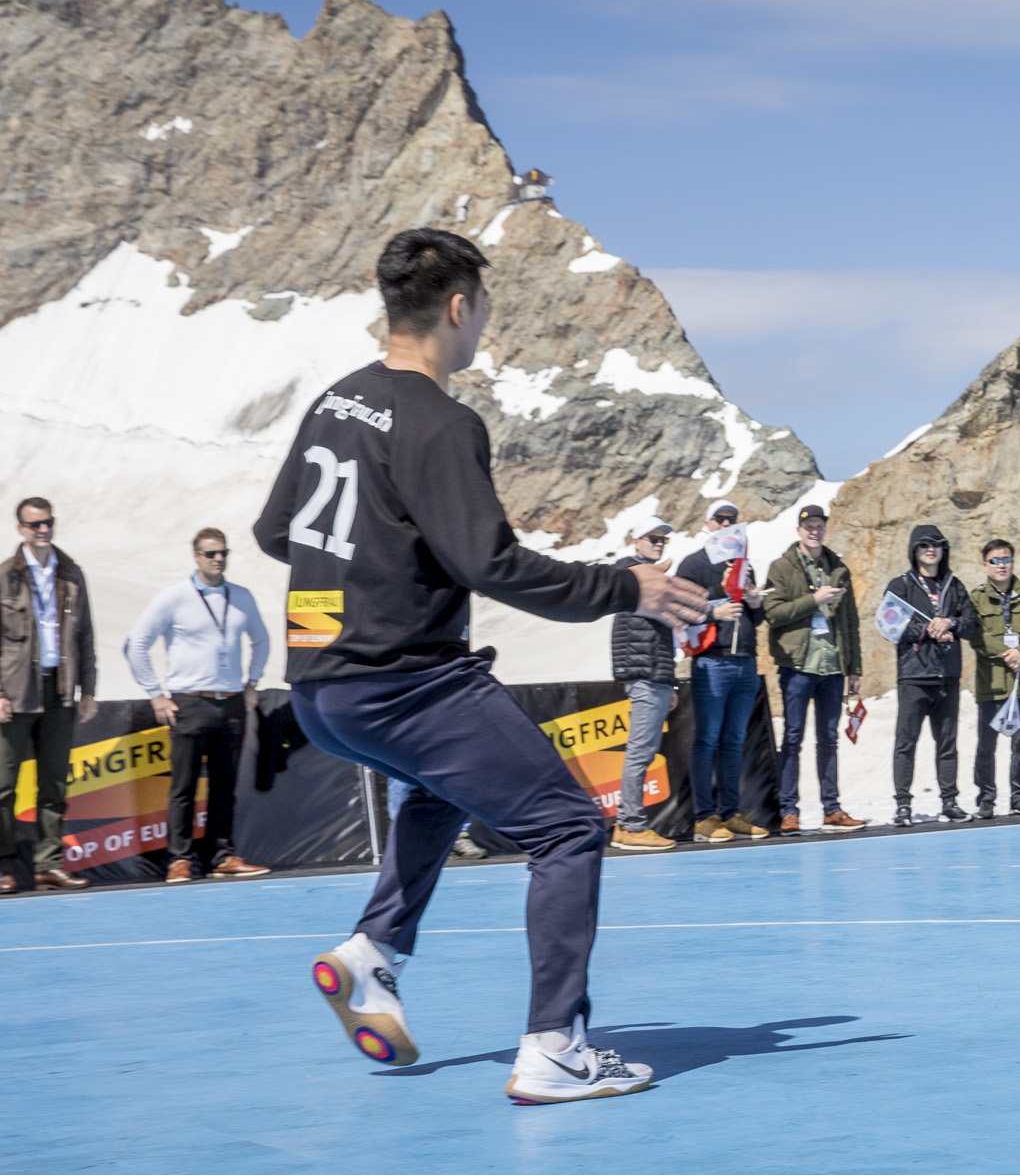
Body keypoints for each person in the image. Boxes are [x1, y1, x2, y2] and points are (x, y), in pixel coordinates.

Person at [258, 228, 707, 1102]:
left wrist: (368, 574)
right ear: (460, 306)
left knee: (440, 787)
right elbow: (491, 564)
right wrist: (627, 586)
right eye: (486, 304)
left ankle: (373, 951)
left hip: (319, 687)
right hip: (406, 681)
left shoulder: (335, 403)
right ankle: (554, 1048)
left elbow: (279, 532)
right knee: (568, 828)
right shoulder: (441, 422)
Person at [124, 527, 273, 882]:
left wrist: (252, 682)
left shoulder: (241, 596)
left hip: (231, 704)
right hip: (189, 703)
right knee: (184, 787)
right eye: (210, 554)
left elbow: (262, 640)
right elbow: (137, 644)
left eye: (223, 553)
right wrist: (155, 694)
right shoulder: (174, 597)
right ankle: (179, 860)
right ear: (196, 557)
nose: (218, 559)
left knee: (225, 786)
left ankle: (223, 856)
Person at [1, 497, 100, 893]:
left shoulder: (70, 572)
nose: (43, 530)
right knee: (4, 786)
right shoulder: (6, 575)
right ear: (21, 529)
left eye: (48, 522)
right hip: (16, 692)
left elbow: (86, 635)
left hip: (59, 689)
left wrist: (88, 689)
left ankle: (49, 865)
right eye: (35, 524)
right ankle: (4, 867)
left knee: (55, 785)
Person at [762, 505, 865, 832]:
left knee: (829, 739)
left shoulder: (838, 568)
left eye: (819, 526)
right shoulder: (781, 567)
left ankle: (831, 809)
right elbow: (772, 613)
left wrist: (854, 667)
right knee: (793, 738)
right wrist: (814, 600)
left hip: (832, 666)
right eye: (809, 526)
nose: (814, 531)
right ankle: (788, 810)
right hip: (798, 665)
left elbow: (851, 621)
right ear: (799, 531)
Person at [674, 504, 772, 841]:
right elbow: (680, 612)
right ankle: (704, 817)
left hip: (744, 660)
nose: (726, 524)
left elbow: (753, 618)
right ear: (708, 524)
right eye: (720, 519)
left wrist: (755, 605)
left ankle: (730, 813)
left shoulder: (744, 564)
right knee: (707, 739)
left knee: (734, 741)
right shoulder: (694, 564)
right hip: (711, 661)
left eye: (731, 519)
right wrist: (716, 608)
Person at [885, 524, 977, 824]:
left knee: (947, 744)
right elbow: (888, 624)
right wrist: (927, 629)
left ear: (943, 550)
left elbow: (971, 623)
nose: (930, 549)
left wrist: (950, 623)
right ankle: (903, 805)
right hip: (914, 676)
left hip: (947, 676)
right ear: (914, 550)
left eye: (936, 544)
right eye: (924, 544)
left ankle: (950, 801)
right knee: (906, 743)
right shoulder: (902, 585)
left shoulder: (954, 584)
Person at [606, 515, 681, 851]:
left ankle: (628, 824)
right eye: (652, 538)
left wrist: (670, 682)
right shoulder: (629, 575)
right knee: (640, 752)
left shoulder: (651, 578)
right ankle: (630, 825)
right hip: (644, 675)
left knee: (644, 752)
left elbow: (662, 636)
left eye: (663, 539)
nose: (659, 543)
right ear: (635, 542)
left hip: (656, 675)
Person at [965, 538, 1020, 817]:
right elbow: (976, 634)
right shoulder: (976, 598)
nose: (1001, 565)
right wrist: (1006, 653)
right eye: (995, 560)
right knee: (986, 745)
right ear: (985, 564)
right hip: (992, 682)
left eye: (1006, 559)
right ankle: (986, 798)